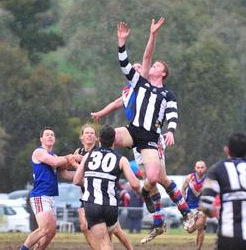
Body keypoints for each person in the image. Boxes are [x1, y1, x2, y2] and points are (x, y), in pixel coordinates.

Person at [99, 19, 196, 243]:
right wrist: (122, 42)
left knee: (153, 178)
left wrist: (171, 130)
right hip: (133, 131)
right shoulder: (140, 82)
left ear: (163, 74)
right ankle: (95, 166)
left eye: (156, 66)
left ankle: (149, 197)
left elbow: (173, 114)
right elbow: (129, 62)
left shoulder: (167, 94)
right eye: (151, 65)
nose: (151, 66)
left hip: (151, 139)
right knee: (106, 135)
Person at [73, 125, 142, 250]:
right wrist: (144, 194)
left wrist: (91, 182)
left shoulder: (88, 156)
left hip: (92, 204)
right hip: (110, 207)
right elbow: (135, 184)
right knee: (108, 240)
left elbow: (76, 180)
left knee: (104, 244)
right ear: (114, 140)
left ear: (99, 140)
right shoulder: (122, 159)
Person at [19, 128, 75, 250]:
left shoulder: (54, 155)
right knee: (44, 229)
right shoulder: (39, 152)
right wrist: (71, 157)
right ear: (41, 139)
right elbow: (55, 162)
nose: (50, 137)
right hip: (40, 195)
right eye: (47, 135)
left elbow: (64, 172)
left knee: (51, 232)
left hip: (50, 196)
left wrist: (82, 165)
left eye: (52, 135)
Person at [181, 161, 208, 250]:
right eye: (198, 167)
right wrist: (183, 200)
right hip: (190, 207)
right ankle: (200, 227)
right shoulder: (189, 177)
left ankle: (198, 248)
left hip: (202, 207)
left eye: (202, 167)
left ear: (205, 168)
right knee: (190, 230)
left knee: (200, 225)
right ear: (195, 168)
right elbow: (183, 188)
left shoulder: (208, 179)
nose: (200, 170)